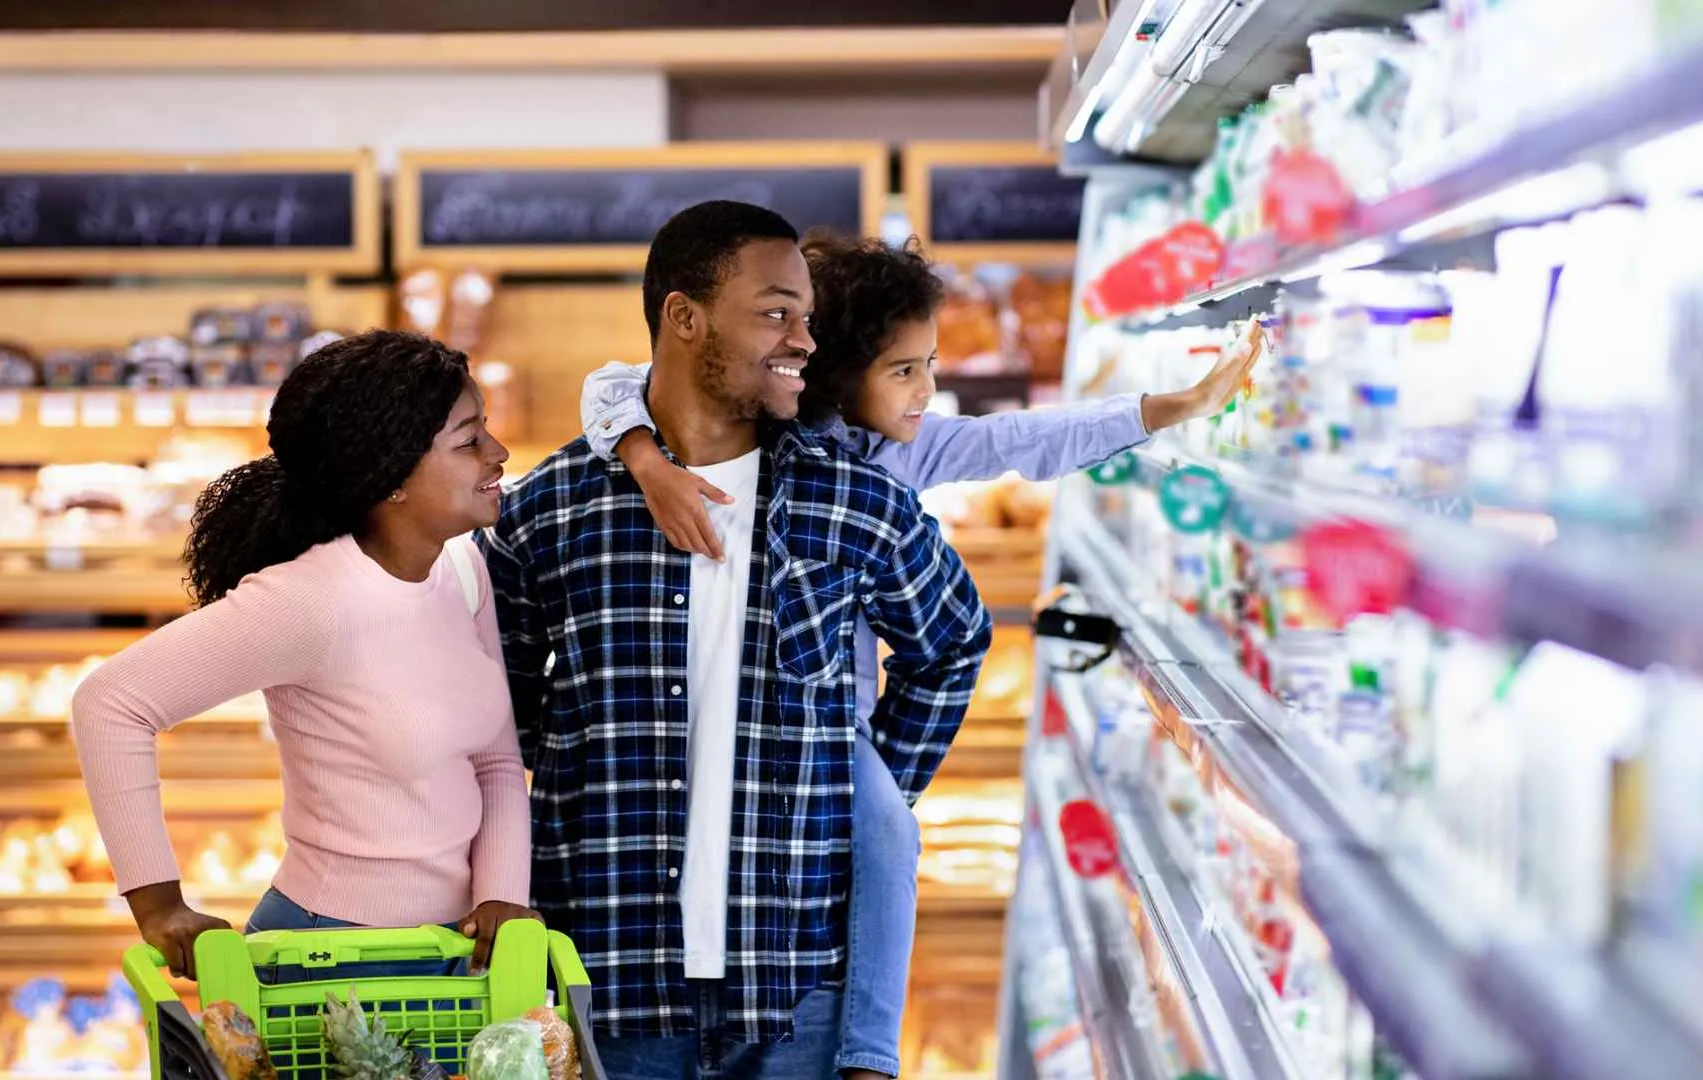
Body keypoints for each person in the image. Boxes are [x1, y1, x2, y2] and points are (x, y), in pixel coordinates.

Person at [580, 232, 1264, 1078]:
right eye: (904, 370)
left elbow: (1019, 442)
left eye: (928, 365)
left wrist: (1168, 407)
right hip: (715, 722)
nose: (926, 389)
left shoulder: (903, 454)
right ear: (835, 367)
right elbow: (611, 387)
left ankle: (868, 1051)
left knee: (886, 831)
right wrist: (644, 459)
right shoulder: (756, 421)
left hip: (833, 727)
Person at [481, 201, 991, 1078]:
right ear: (685, 317)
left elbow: (950, 643)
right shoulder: (552, 510)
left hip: (794, 991)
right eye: (775, 313)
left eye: (808, 317)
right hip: (608, 981)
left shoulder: (853, 501)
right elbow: (497, 710)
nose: (803, 339)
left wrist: (865, 789)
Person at [71, 329, 536, 983]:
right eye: (468, 441)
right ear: (393, 476)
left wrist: (503, 900)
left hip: (455, 957)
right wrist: (159, 906)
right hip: (330, 962)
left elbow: (496, 760)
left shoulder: (461, 571)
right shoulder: (310, 600)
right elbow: (110, 703)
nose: (498, 453)